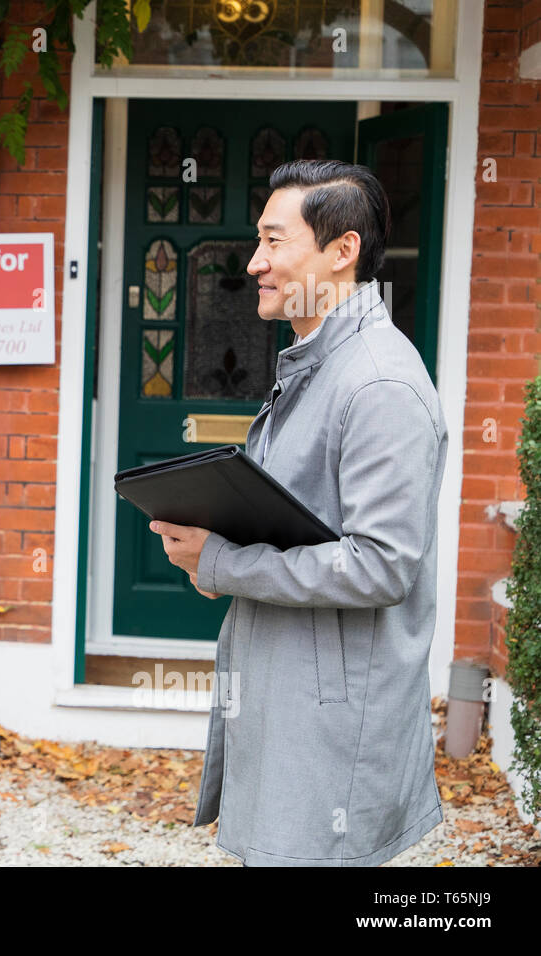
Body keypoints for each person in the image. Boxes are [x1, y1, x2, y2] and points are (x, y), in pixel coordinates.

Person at [149, 159, 448, 866]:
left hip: (331, 731)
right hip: (285, 706)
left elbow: (381, 567)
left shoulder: (377, 383)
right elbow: (299, 518)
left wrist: (222, 561)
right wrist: (213, 541)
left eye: (274, 242)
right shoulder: (314, 365)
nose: (256, 262)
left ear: (342, 251)